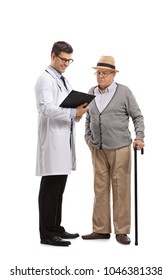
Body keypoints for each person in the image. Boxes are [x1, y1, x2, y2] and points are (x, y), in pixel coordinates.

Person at [82, 56, 145, 245]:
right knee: (99, 189)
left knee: (121, 189)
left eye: (104, 73)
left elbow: (137, 116)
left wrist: (139, 137)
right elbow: (87, 117)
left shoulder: (124, 92)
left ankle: (122, 230)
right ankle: (101, 230)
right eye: (98, 73)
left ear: (113, 74)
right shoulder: (91, 92)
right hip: (98, 149)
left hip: (120, 148)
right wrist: (89, 139)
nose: (100, 76)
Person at [34, 41, 87, 246]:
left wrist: (78, 112)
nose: (66, 63)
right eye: (63, 59)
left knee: (59, 189)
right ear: (53, 55)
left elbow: (65, 106)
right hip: (53, 143)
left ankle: (56, 227)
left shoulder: (63, 80)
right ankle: (47, 234)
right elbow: (45, 109)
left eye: (69, 60)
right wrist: (73, 112)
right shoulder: (45, 80)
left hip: (64, 140)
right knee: (50, 189)